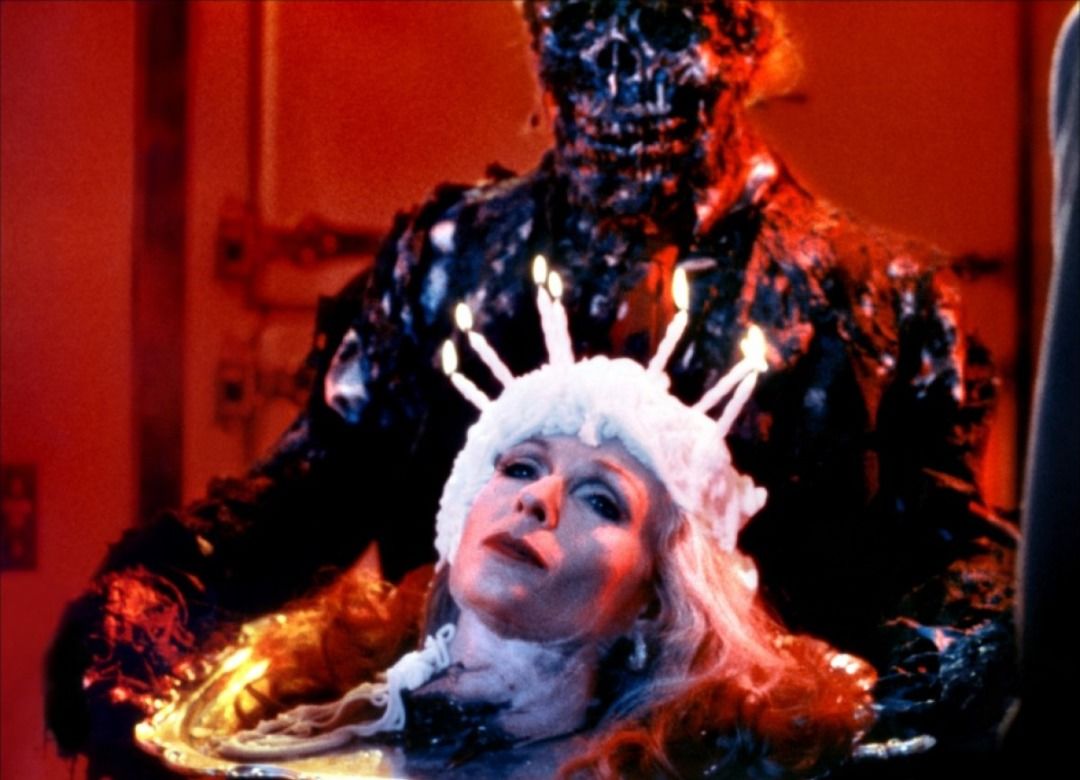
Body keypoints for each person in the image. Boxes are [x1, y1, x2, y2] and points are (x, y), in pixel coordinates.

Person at [47, 1, 1013, 775]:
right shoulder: (449, 264)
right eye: (578, 18)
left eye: (663, 21)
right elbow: (306, 496)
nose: (616, 67)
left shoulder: (874, 303)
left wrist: (879, 709)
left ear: (746, 35)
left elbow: (957, 561)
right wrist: (156, 594)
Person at [136, 279, 875, 778]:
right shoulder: (277, 710)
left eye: (602, 502)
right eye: (520, 468)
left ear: (654, 602)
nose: (537, 501)